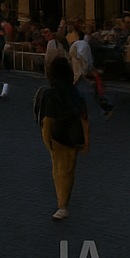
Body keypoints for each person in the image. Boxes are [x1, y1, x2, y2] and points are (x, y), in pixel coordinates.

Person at [34, 56, 90, 220]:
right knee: (66, 168)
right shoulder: (75, 93)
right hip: (68, 133)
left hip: (50, 132)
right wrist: (86, 141)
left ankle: (61, 202)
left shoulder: (47, 93)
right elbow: (84, 117)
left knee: (57, 165)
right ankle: (62, 204)